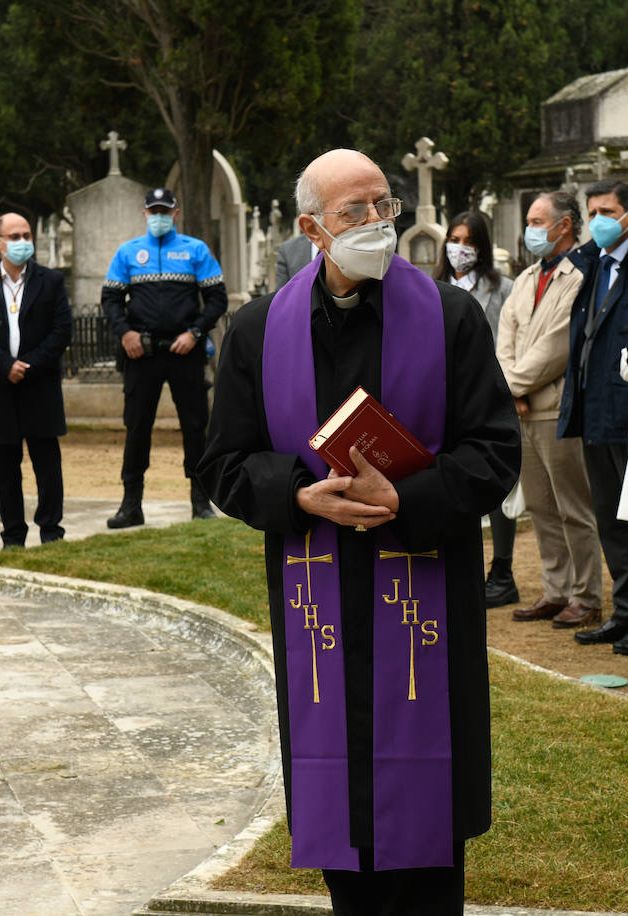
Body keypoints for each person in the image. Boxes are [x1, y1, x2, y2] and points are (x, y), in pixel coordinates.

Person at [197, 148, 519, 915]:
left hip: (423, 598)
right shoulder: (257, 330)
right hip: (322, 601)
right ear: (312, 227)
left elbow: (495, 451)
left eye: (385, 205)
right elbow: (223, 465)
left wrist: (405, 497)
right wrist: (302, 494)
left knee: (427, 835)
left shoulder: (448, 316)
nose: (378, 223)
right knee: (342, 815)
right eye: (355, 212)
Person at [558, 180, 628, 656]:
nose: (598, 220)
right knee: (611, 520)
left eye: (607, 210)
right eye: (592, 211)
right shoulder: (592, 263)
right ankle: (625, 612)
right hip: (594, 411)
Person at [497, 193, 602, 627]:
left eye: (539, 221)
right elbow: (506, 335)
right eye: (529, 221)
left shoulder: (580, 276)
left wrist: (512, 386)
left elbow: (558, 344)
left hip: (556, 408)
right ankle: (556, 589)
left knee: (572, 507)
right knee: (540, 507)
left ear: (565, 226)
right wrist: (508, 388)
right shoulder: (525, 278)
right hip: (521, 411)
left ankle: (586, 594)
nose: (531, 229)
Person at [103, 187, 228, 527]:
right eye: (153, 211)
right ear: (145, 215)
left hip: (184, 352)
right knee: (137, 428)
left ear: (176, 213)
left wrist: (195, 333)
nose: (159, 217)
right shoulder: (128, 252)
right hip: (141, 354)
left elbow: (217, 298)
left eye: (165, 211)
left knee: (194, 427)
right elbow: (110, 300)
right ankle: (131, 505)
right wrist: (126, 334)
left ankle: (201, 503)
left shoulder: (195, 250)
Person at [0, 212, 73, 549]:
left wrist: (29, 365)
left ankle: (51, 530)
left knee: (47, 465)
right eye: (14, 236)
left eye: (26, 235)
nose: (23, 242)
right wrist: (4, 365)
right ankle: (13, 535)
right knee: (5, 468)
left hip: (39, 386)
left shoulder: (50, 281)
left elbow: (61, 330)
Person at [433, 210, 520, 608]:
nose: (460, 248)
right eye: (455, 239)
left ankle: (502, 568)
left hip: (487, 394)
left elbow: (510, 340)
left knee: (495, 486)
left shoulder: (503, 289)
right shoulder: (431, 288)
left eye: (469, 242)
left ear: (482, 247)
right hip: (440, 399)